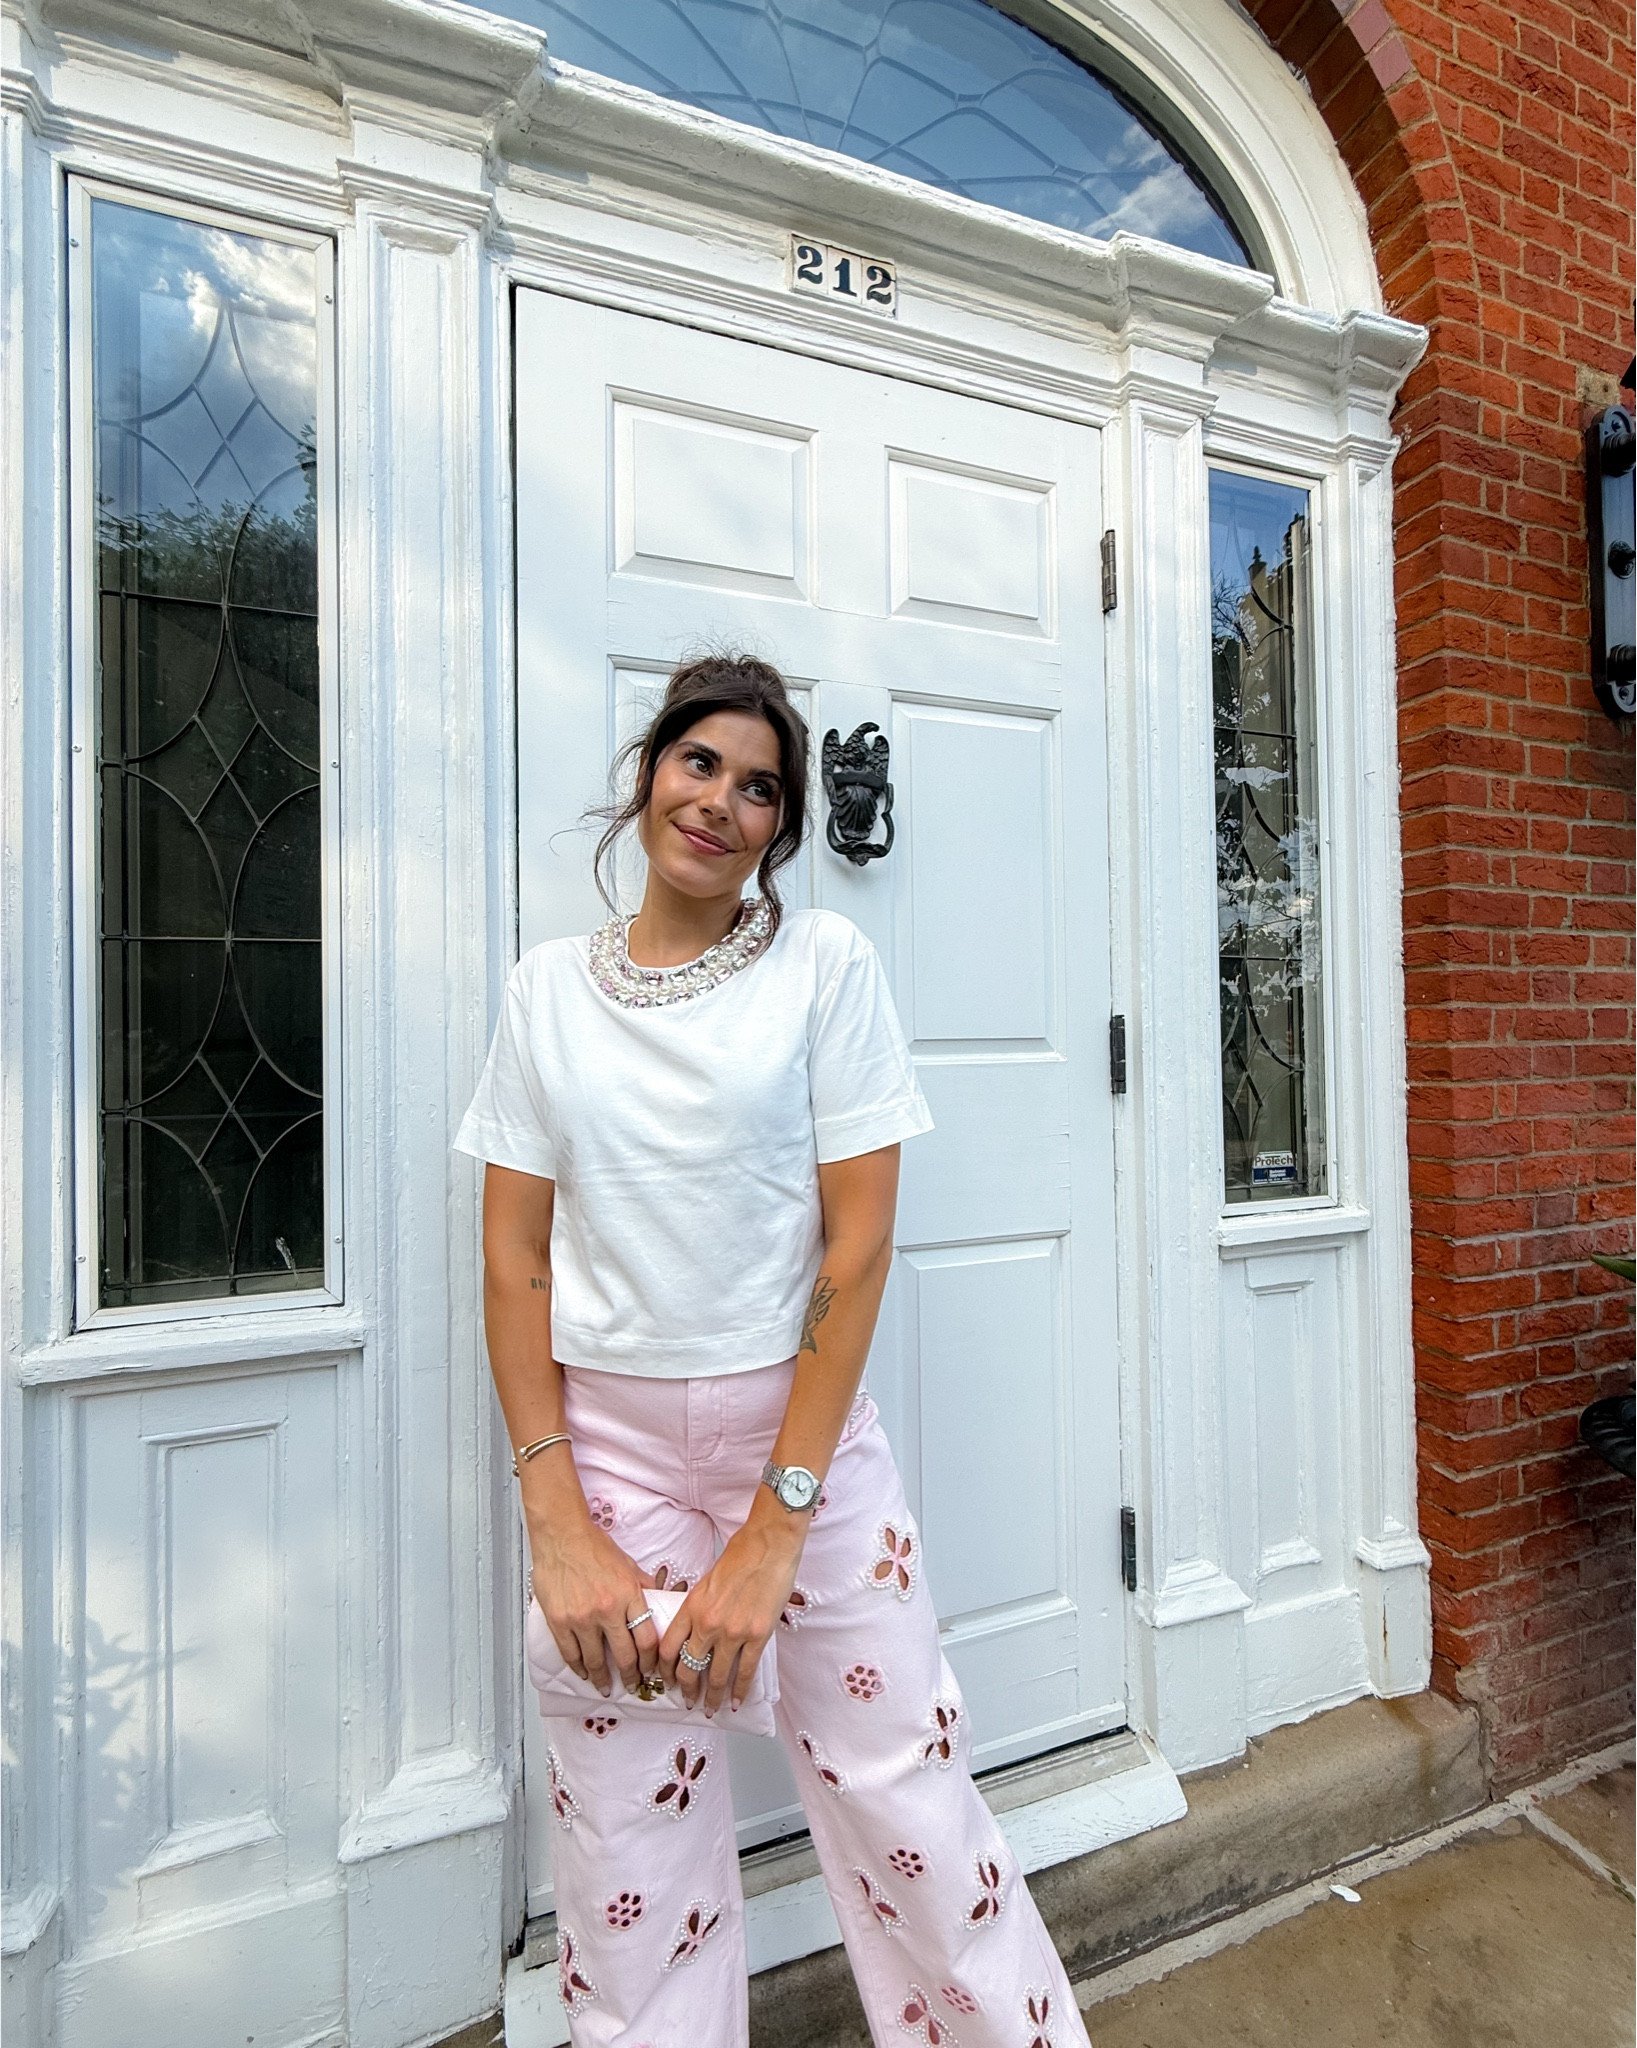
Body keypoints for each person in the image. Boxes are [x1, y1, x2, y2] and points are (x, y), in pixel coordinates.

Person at [456, 654, 1090, 2045]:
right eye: (700, 764)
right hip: (602, 1456)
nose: (721, 804)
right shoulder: (545, 993)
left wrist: (773, 1528)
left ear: (781, 831)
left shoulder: (823, 967)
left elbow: (853, 1249)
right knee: (624, 1854)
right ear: (647, 774)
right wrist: (552, 1518)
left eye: (760, 790)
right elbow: (511, 1262)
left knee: (903, 1796)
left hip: (799, 1450)